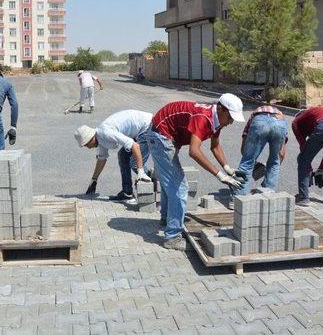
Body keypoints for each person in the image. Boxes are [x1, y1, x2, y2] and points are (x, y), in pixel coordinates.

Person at [148, 94, 246, 251]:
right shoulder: (204, 118)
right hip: (160, 135)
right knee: (180, 188)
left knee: (170, 184)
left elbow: (215, 146)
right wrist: (219, 175)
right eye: (230, 117)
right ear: (221, 109)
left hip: (168, 134)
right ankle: (172, 237)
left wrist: (227, 168)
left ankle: (168, 219)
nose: (231, 122)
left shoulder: (216, 119)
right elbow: (194, 151)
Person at [74, 110, 153, 201]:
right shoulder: (99, 139)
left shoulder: (105, 133)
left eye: (87, 144)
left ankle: (156, 183)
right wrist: (94, 180)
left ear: (91, 138)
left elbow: (134, 146)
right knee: (122, 156)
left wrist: (140, 171)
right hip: (138, 130)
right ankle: (127, 193)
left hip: (147, 126)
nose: (88, 147)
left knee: (135, 164)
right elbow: (102, 159)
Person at [231, 106, 288, 204]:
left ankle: (238, 200)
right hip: (280, 123)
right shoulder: (280, 114)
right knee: (275, 162)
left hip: (260, 121)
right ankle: (268, 196)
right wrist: (274, 164)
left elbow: (245, 141)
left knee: (247, 162)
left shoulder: (254, 114)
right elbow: (282, 153)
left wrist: (249, 159)